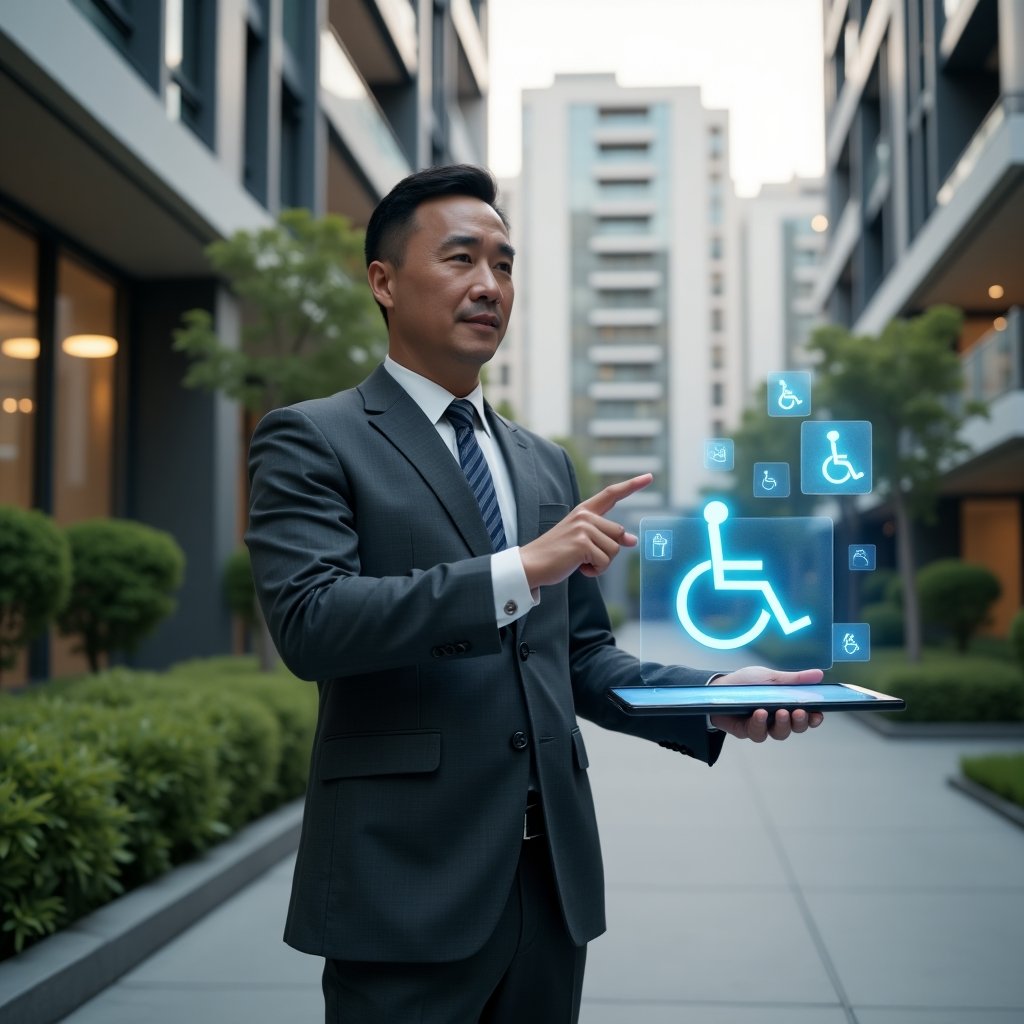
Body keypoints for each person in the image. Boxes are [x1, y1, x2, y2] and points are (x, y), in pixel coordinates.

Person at [245, 164, 824, 1023]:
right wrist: (519, 569)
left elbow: (579, 656)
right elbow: (313, 623)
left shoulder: (542, 462)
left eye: (506, 265)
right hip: (405, 889)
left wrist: (710, 697)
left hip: (549, 891)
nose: (490, 285)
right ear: (384, 282)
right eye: (462, 259)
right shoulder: (313, 439)